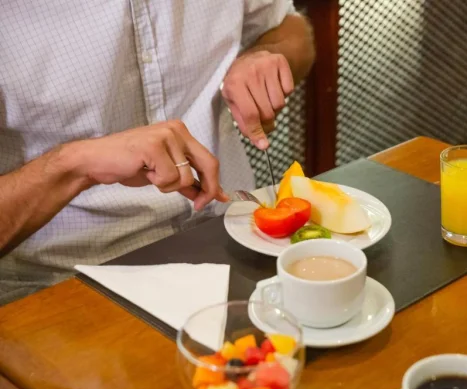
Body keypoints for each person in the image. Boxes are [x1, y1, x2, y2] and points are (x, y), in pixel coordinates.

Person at [0, 1, 315, 304]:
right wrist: (73, 164)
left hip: (237, 239)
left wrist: (266, 54)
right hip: (64, 280)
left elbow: (291, 29)